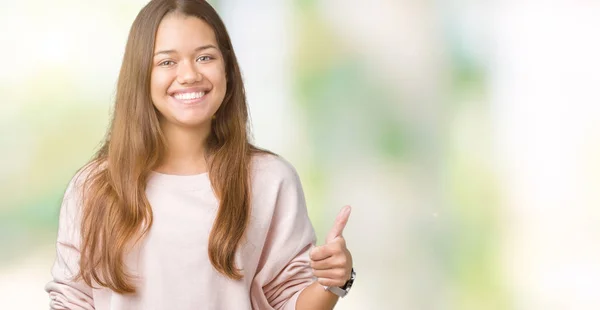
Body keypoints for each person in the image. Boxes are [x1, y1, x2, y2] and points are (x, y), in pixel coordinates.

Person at [44, 0, 356, 309]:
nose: (190, 75)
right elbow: (71, 301)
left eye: (205, 57)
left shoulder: (270, 180)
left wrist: (334, 281)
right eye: (167, 62)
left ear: (227, 68)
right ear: (141, 75)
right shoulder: (96, 186)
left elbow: (290, 301)